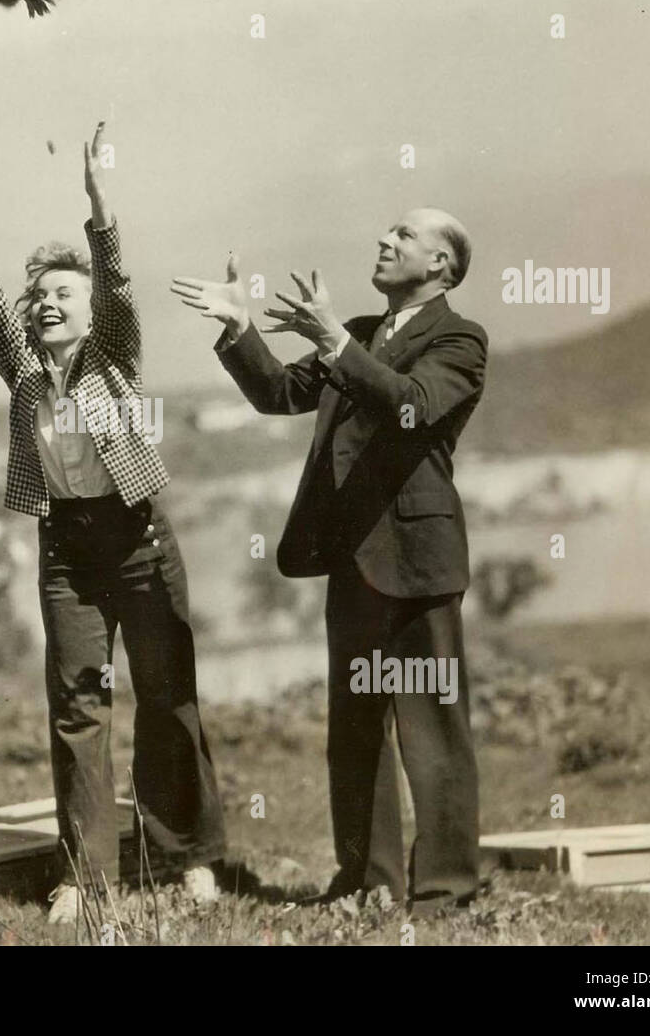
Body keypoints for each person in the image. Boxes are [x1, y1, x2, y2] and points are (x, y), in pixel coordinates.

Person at [0, 124, 225, 926]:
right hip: (67, 550)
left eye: (63, 297)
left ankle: (187, 858)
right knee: (79, 703)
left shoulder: (114, 355)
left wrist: (99, 200)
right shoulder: (21, 367)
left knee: (166, 692)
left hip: (139, 537)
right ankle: (86, 878)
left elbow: (115, 281)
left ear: (88, 315)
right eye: (40, 297)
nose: (48, 305)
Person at [170, 209, 486, 914]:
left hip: (419, 561)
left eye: (404, 235)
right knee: (355, 727)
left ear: (441, 264)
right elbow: (279, 393)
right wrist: (236, 327)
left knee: (432, 729)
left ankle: (446, 893)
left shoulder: (461, 339)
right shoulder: (366, 336)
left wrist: (337, 342)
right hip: (355, 564)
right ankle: (368, 882)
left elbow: (412, 406)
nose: (384, 239)